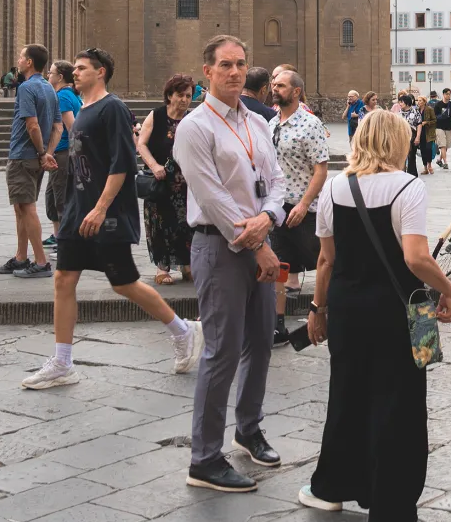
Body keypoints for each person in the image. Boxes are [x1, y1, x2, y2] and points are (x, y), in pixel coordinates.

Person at [299, 110, 451, 522]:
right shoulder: (408, 186)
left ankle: (331, 487)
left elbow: (325, 260)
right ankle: (390, 504)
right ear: (398, 142)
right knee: (399, 403)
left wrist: (318, 309)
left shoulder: (334, 188)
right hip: (400, 309)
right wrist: (448, 288)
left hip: (349, 308)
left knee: (347, 394)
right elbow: (416, 257)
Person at [22, 48, 205, 390]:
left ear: (101, 72)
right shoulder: (85, 108)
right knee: (63, 279)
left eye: (81, 68)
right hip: (80, 210)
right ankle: (62, 362)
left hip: (107, 214)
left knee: (123, 283)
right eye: (74, 68)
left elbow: (122, 162)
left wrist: (102, 206)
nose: (74, 73)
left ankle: (184, 330)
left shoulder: (113, 108)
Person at [175, 35, 288, 494]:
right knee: (221, 352)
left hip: (257, 237)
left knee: (261, 341)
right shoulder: (195, 127)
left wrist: (268, 219)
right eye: (225, 65)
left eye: (241, 64)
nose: (235, 72)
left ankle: (248, 426)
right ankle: (203, 458)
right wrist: (256, 240)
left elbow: (277, 180)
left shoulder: (257, 123)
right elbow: (212, 198)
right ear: (208, 71)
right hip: (219, 246)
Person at [268, 67, 331, 345]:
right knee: (279, 266)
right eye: (273, 84)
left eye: (281, 85)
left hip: (306, 210)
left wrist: (304, 205)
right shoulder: (272, 123)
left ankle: (329, 311)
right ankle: (277, 324)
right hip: (279, 208)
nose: (274, 88)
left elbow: (321, 169)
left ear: (295, 92)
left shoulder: (310, 124)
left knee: (325, 260)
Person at [0, 45, 59, 279]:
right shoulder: (49, 89)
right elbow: (57, 126)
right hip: (35, 157)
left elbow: (32, 125)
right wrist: (48, 152)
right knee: (21, 206)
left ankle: (41, 261)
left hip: (23, 155)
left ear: (30, 62)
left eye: (21, 57)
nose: (18, 60)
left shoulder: (26, 88)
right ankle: (21, 256)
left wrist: (43, 153)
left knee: (27, 208)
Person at [139, 75, 196, 284]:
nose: (184, 100)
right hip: (160, 181)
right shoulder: (157, 115)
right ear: (170, 95)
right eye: (180, 95)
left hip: (185, 183)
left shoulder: (191, 119)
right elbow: (141, 144)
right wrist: (154, 166)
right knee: (161, 224)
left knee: (185, 225)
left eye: (188, 96)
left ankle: (186, 265)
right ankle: (162, 268)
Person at [46, 61, 82, 249]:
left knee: (61, 198)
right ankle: (58, 235)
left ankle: (67, 242)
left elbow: (71, 127)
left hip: (63, 153)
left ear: (60, 77)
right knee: (52, 196)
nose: (48, 75)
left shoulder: (63, 97)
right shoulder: (67, 94)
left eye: (51, 72)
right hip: (61, 152)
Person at [432, 89, 451, 170]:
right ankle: (446, 162)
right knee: (442, 145)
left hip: (449, 127)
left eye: (449, 94)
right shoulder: (438, 105)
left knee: (446, 146)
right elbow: (434, 116)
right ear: (443, 94)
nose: (448, 95)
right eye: (447, 94)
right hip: (439, 127)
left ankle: (439, 160)